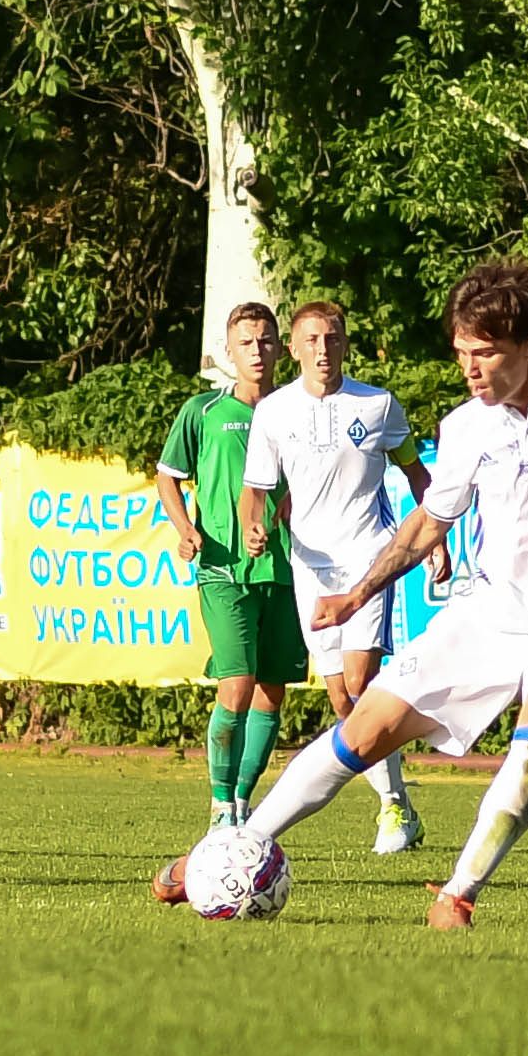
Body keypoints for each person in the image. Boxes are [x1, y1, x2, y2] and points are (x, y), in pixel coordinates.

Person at [155, 260, 528, 928]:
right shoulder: (466, 426)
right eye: (460, 354)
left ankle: (458, 892)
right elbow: (427, 522)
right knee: (362, 727)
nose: (469, 369)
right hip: (484, 616)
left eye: (485, 353)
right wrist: (356, 595)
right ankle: (228, 850)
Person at [235, 301, 445, 855]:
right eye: (312, 340)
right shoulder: (274, 412)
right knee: (342, 702)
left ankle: (392, 808)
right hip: (311, 564)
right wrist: (254, 526)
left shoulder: (377, 405)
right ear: (294, 348)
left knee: (360, 683)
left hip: (369, 558)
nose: (322, 350)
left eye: (332, 339)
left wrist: (435, 538)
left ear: (344, 343)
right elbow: (254, 491)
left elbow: (416, 473)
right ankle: (396, 799)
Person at [155, 303, 307, 836]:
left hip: (286, 569)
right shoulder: (204, 411)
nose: (258, 351)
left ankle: (243, 803)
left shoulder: (297, 412)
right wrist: (185, 530)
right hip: (223, 567)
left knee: (271, 691)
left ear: (280, 348)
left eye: (266, 341)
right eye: (246, 342)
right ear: (228, 352)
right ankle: (220, 804)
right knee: (236, 684)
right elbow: (168, 475)